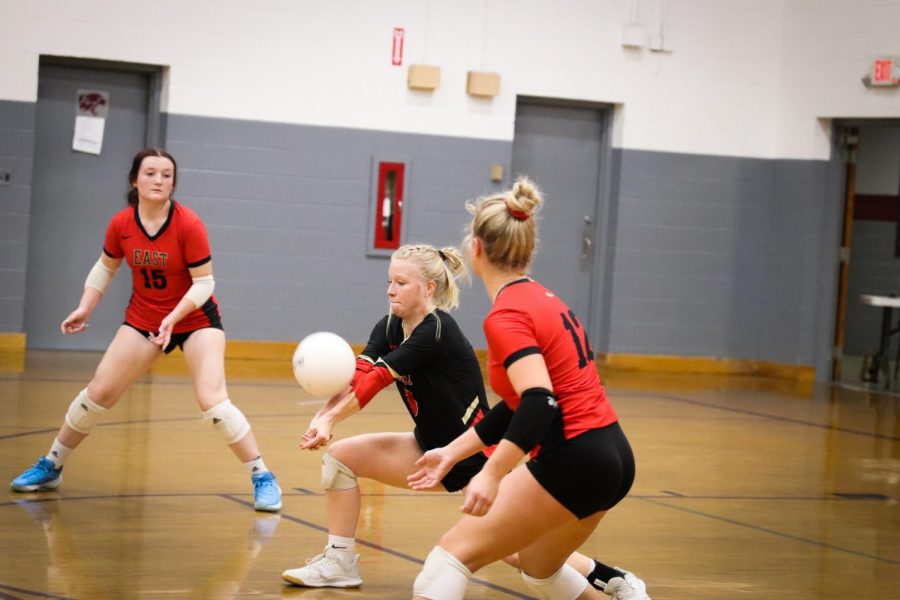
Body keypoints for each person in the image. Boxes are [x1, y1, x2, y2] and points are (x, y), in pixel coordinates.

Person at [280, 243, 646, 599]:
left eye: (401, 283)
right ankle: (340, 562)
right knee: (340, 459)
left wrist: (331, 419)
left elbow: (379, 379)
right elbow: (361, 373)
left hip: (475, 454)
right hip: (432, 448)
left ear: (429, 287)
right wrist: (324, 417)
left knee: (515, 551)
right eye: (389, 281)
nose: (391, 290)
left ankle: (611, 578)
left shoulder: (436, 331)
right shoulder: (390, 326)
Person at [406, 178, 647, 600]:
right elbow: (518, 405)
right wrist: (452, 452)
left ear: (475, 249)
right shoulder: (545, 298)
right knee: (541, 571)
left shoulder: (506, 315)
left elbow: (540, 401)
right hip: (612, 455)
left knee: (445, 564)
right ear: (527, 250)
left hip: (574, 455)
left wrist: (493, 473)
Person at [10, 147, 282, 512]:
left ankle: (262, 476)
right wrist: (85, 307)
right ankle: (52, 465)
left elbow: (204, 284)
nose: (158, 180)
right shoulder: (122, 223)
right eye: (151, 173)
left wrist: (174, 317)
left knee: (213, 401)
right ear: (134, 180)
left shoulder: (189, 224)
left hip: (195, 319)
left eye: (166, 175)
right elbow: (106, 268)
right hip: (144, 318)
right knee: (98, 393)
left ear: (173, 183)